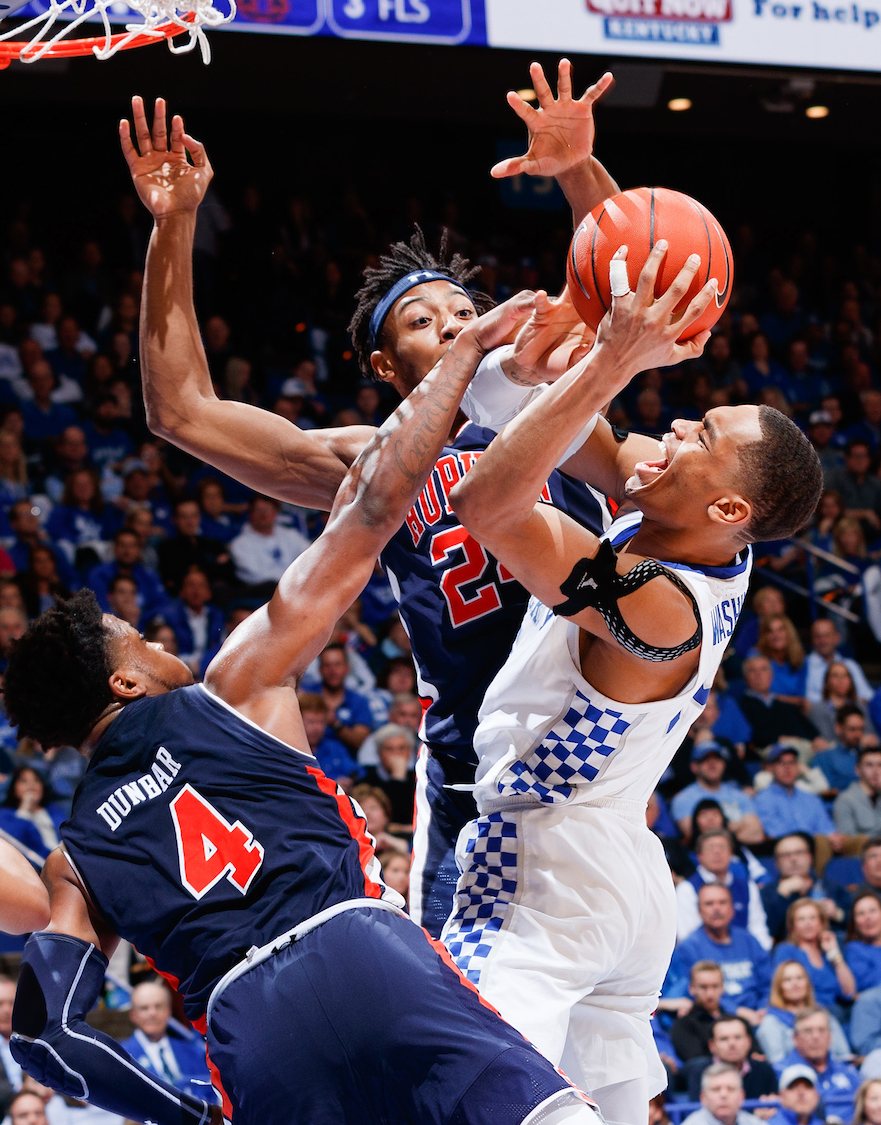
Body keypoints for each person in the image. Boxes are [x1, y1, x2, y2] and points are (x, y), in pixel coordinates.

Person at [3, 251, 602, 1125]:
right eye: (420, 320)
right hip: (463, 800)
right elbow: (323, 491)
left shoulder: (77, 852)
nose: (166, 638)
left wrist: (181, 1115)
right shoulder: (231, 686)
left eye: (457, 312)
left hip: (255, 1019)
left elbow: (44, 1035)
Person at [127, 77, 619, 938]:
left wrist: (579, 172)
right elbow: (182, 414)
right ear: (388, 367)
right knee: (465, 1023)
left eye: (466, 310)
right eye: (427, 322)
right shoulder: (369, 462)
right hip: (474, 775)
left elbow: (632, 288)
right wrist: (174, 227)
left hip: (597, 749)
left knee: (608, 1035)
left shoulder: (556, 401)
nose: (461, 323)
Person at [436, 239, 822, 1117]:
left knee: (468, 1082)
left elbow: (488, 502)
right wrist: (586, 187)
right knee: (608, 1105)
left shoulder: (656, 606)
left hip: (548, 861)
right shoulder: (708, 531)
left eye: (701, 437)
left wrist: (609, 361)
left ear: (727, 508)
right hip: (617, 868)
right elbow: (590, 414)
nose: (676, 429)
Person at [665, 886, 772, 1026]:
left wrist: (763, 1009)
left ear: (732, 909)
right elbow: (695, 994)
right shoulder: (689, 948)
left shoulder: (748, 940)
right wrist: (738, 1011)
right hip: (714, 1020)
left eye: (722, 902)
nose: (716, 908)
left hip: (758, 1016)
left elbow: (768, 984)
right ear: (699, 911)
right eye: (709, 904)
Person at [675, 830, 772, 948]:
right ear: (699, 856)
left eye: (722, 847)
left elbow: (758, 929)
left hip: (745, 956)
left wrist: (760, 956)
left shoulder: (748, 887)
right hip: (703, 960)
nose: (717, 852)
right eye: (711, 848)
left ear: (731, 854)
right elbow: (687, 935)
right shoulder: (686, 889)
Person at [119, 981, 212, 1102]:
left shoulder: (194, 1053)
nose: (152, 1013)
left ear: (169, 1011)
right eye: (144, 1008)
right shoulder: (121, 1056)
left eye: (158, 1006)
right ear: (133, 1015)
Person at [756, 961, 852, 1065]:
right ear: (779, 987)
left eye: (799, 978)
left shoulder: (823, 1015)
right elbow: (777, 1064)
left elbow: (843, 1055)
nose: (795, 983)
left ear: (808, 983)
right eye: (788, 980)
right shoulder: (771, 1022)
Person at [760, 834, 850, 944]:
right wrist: (782, 895)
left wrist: (837, 914)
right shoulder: (766, 894)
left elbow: (858, 924)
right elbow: (766, 933)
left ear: (810, 857)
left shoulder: (831, 887)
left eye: (799, 852)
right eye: (785, 855)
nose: (793, 859)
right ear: (776, 863)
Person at [671, 742, 764, 845]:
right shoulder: (683, 798)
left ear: (724, 764)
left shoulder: (739, 795)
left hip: (739, 853)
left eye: (717, 759)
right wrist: (736, 826)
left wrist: (719, 832)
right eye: (705, 759)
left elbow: (756, 834)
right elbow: (694, 835)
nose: (712, 764)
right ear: (694, 766)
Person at [773, 898, 855, 1012]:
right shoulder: (786, 950)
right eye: (801, 919)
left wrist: (834, 953)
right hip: (808, 1014)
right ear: (793, 926)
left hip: (838, 1012)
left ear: (821, 923)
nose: (808, 923)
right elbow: (781, 992)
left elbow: (849, 992)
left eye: (812, 918)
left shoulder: (827, 953)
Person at [752, 744, 841, 845]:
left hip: (821, 845)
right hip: (787, 849)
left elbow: (828, 830)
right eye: (781, 763)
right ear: (770, 768)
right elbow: (775, 834)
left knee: (857, 842)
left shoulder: (811, 799)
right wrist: (813, 839)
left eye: (792, 762)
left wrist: (833, 838)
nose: (787, 768)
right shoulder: (762, 800)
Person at [227, 495, 309, 595]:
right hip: (262, 594)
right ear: (250, 513)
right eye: (259, 510)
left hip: (297, 588)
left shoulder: (291, 535)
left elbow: (310, 556)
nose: (264, 514)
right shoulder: (239, 544)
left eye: (268, 510)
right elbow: (255, 575)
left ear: (275, 513)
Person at [685, 1016, 778, 1103]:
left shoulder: (764, 1069)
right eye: (724, 1039)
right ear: (712, 1045)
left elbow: (774, 1105)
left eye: (738, 1037)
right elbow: (697, 1111)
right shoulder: (699, 1071)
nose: (732, 1043)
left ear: (749, 1041)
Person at [774, 1008, 860, 1099]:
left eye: (822, 1030)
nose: (816, 1036)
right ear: (795, 1038)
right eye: (808, 1031)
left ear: (830, 1037)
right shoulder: (778, 1073)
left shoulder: (849, 1072)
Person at [738, 661, 817, 758]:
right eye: (752, 671)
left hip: (799, 744)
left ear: (771, 675)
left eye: (763, 669)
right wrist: (780, 738)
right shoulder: (742, 706)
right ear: (745, 678)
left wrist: (816, 739)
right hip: (767, 749)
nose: (759, 675)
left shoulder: (783, 704)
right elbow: (751, 735)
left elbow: (808, 728)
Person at [86, 530, 167, 623]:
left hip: (143, 626)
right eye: (122, 545)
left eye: (132, 546)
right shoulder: (98, 574)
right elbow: (97, 606)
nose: (127, 550)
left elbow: (161, 605)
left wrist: (140, 617)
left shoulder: (149, 576)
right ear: (115, 548)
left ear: (139, 550)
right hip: (108, 627)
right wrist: (121, 619)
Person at [314, 642, 376, 755]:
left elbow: (359, 741)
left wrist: (335, 723)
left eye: (337, 664)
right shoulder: (307, 697)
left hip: (347, 767)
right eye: (327, 665)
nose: (333, 671)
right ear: (320, 669)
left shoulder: (359, 701)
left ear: (347, 668)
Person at [156, 500, 230, 593]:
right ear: (175, 519)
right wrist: (214, 565)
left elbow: (227, 570)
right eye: (184, 517)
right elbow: (176, 577)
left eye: (194, 516)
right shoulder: (167, 547)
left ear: (199, 518)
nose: (190, 522)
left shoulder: (212, 543)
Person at [161, 569, 224, 676]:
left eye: (201, 586)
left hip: (209, 669)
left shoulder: (217, 616)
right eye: (191, 585)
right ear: (182, 592)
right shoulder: (169, 616)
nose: (196, 590)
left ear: (209, 593)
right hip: (178, 669)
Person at [804, 618, 873, 705]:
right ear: (812, 640)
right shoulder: (804, 665)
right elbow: (806, 698)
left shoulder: (851, 665)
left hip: (850, 713)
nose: (823, 641)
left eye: (827, 635)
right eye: (818, 636)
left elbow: (867, 695)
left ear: (837, 638)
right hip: (820, 715)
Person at [0, 767, 64, 859]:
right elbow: (12, 843)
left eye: (36, 780)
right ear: (14, 787)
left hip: (63, 861)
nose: (31, 785)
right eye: (24, 781)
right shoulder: (5, 815)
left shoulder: (53, 810)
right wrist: (24, 809)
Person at [360, 723, 417, 826]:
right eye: (389, 749)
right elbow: (392, 817)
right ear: (379, 752)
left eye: (401, 748)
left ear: (409, 752)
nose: (396, 753)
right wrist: (397, 778)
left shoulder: (419, 779)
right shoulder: (366, 781)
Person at [670, 961, 726, 1062]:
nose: (710, 994)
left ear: (723, 987)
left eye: (715, 986)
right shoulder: (684, 1023)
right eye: (703, 987)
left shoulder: (735, 1020)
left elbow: (756, 1054)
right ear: (691, 988)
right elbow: (695, 1060)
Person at [680, 1063, 765, 1125]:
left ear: (742, 1096)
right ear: (703, 1097)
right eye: (716, 1089)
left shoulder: (756, 1123)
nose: (723, 1095)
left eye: (730, 1089)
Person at [813, 707, 871, 795]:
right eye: (852, 729)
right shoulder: (824, 757)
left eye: (861, 729)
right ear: (838, 728)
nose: (858, 734)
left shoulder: (869, 755)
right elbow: (824, 791)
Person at [808, 664, 871, 743]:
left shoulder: (860, 706)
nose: (841, 680)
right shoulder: (818, 709)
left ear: (851, 682)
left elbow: (870, 736)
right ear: (826, 683)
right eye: (835, 676)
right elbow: (826, 741)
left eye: (845, 676)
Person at [835, 746, 881, 836]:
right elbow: (849, 841)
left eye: (880, 765)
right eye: (869, 765)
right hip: (865, 849)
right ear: (858, 770)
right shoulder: (845, 799)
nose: (876, 771)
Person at [843, 892, 881, 992]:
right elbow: (865, 984)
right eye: (861, 913)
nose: (868, 917)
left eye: (872, 911)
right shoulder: (854, 949)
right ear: (855, 923)